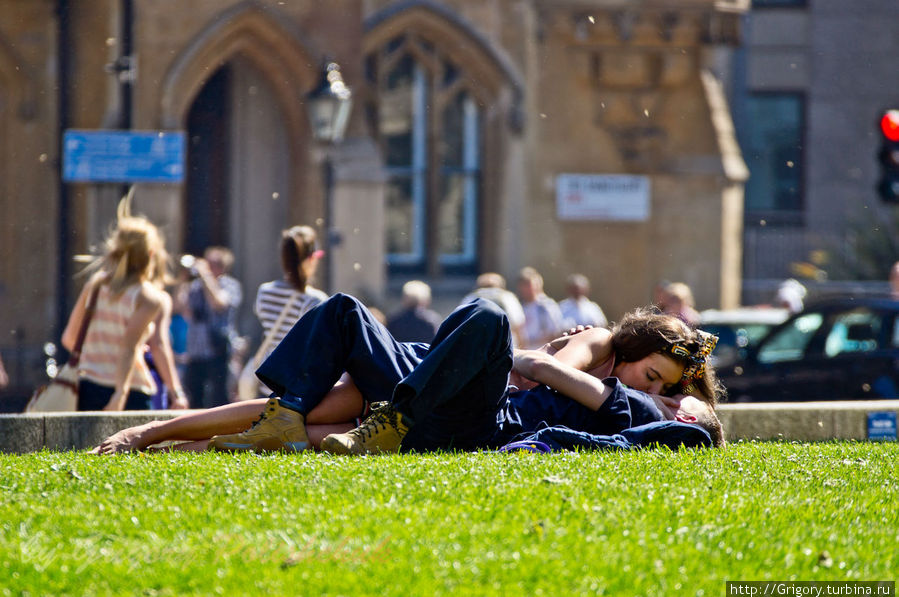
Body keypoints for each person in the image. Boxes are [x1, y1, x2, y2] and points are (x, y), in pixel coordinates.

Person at [91, 300, 723, 453]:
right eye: (656, 376)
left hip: (470, 410)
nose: (656, 390)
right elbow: (535, 365)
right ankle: (162, 432)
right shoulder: (602, 345)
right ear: (636, 347)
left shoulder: (634, 409)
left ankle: (390, 417)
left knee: (487, 316)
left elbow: (529, 366)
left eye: (667, 390)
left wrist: (681, 408)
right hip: (449, 388)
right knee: (341, 313)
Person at [61, 194, 188, 411]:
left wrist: (97, 358)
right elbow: (148, 346)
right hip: (131, 391)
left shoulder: (97, 284)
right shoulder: (151, 297)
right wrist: (175, 392)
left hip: (88, 386)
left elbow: (69, 338)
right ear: (151, 254)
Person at [177, 246, 243, 408]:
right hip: (195, 354)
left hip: (217, 353)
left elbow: (218, 303)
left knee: (218, 401)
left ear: (221, 266)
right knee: (194, 402)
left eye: (210, 264)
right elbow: (179, 306)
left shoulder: (230, 285)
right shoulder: (195, 286)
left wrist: (206, 277)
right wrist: (183, 280)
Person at [460, 273, 526, 347]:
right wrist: (523, 347)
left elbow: (462, 326)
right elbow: (518, 324)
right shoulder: (508, 297)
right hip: (504, 346)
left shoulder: (471, 298)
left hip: (478, 347)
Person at [517, 266, 565, 348]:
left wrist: (532, 341)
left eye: (528, 285)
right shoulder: (519, 306)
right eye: (523, 285)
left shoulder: (546, 306)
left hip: (543, 351)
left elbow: (555, 332)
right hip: (524, 353)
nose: (526, 289)